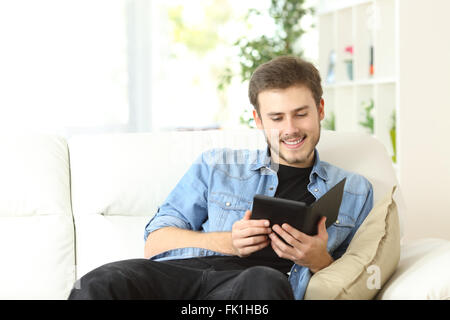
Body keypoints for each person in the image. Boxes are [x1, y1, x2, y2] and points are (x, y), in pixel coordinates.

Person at [68, 56, 373, 300]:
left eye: (300, 114)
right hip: (185, 278)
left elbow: (363, 274)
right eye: (277, 118)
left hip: (255, 289)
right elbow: (156, 243)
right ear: (258, 120)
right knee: (99, 282)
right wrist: (230, 242)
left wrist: (319, 261)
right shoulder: (217, 165)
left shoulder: (355, 191)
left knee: (263, 280)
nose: (290, 128)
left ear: (320, 110)